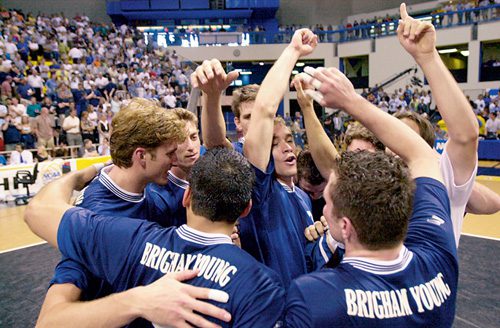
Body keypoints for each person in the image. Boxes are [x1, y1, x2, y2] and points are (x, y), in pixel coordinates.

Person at [285, 30, 456, 328]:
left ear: (346, 226)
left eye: (327, 203)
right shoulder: (438, 256)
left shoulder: (314, 296)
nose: (323, 210)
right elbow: (424, 156)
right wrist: (352, 101)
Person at [26, 99, 237, 327]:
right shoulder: (97, 214)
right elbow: (48, 321)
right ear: (141, 156)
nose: (175, 160)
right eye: (169, 154)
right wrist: (137, 301)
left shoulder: (147, 188)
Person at [25, 148, 285, 327]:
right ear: (246, 208)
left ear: (187, 196)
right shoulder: (262, 285)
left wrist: (81, 174)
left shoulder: (131, 237)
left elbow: (37, 211)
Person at [145, 108, 203, 227]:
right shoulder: (155, 195)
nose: (191, 147)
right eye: (181, 140)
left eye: (193, 137)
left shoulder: (212, 173)